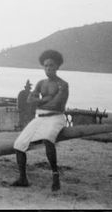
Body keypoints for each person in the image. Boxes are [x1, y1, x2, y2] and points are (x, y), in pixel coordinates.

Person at [11, 50, 69, 191]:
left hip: (56, 117)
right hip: (40, 117)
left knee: (48, 139)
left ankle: (55, 175)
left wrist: (40, 101)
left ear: (57, 66)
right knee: (18, 145)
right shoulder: (40, 83)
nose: (48, 68)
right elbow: (29, 100)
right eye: (46, 65)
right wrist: (46, 99)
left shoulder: (63, 84)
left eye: (51, 65)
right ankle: (23, 178)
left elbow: (56, 105)